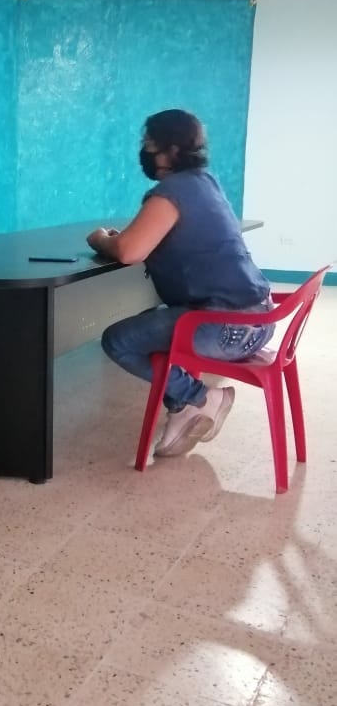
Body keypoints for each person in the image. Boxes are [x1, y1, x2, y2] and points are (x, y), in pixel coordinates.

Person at [86, 108, 274, 458]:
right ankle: (183, 406)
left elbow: (128, 251)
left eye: (149, 144)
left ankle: (199, 398)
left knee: (117, 340)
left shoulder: (170, 192)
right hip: (259, 322)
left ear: (171, 149)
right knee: (152, 323)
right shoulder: (205, 182)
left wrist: (101, 239)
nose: (144, 151)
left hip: (224, 329)